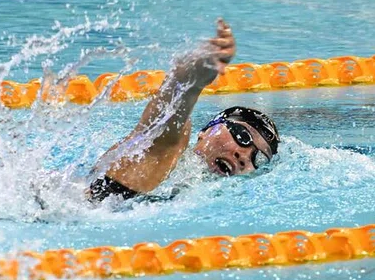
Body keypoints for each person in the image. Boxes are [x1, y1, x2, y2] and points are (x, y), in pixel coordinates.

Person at [88, 19, 280, 202]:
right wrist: (192, 79)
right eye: (242, 136)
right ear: (206, 131)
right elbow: (169, 113)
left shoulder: (199, 197)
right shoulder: (168, 147)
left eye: (258, 158)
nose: (244, 156)